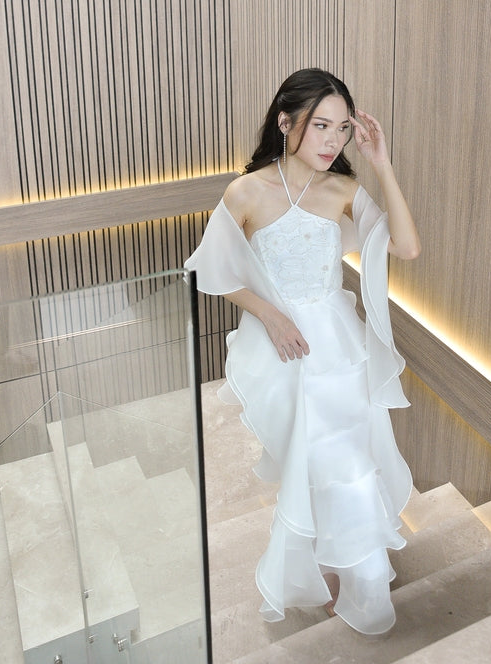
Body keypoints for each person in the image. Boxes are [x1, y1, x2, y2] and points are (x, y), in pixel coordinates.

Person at [184, 68, 421, 635]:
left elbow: (407, 247)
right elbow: (211, 271)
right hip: (283, 351)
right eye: (321, 126)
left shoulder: (342, 191)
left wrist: (382, 164)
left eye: (342, 129)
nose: (333, 140)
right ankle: (330, 567)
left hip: (338, 347)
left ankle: (360, 581)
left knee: (350, 465)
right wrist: (270, 315)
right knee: (314, 467)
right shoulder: (246, 192)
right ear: (286, 122)